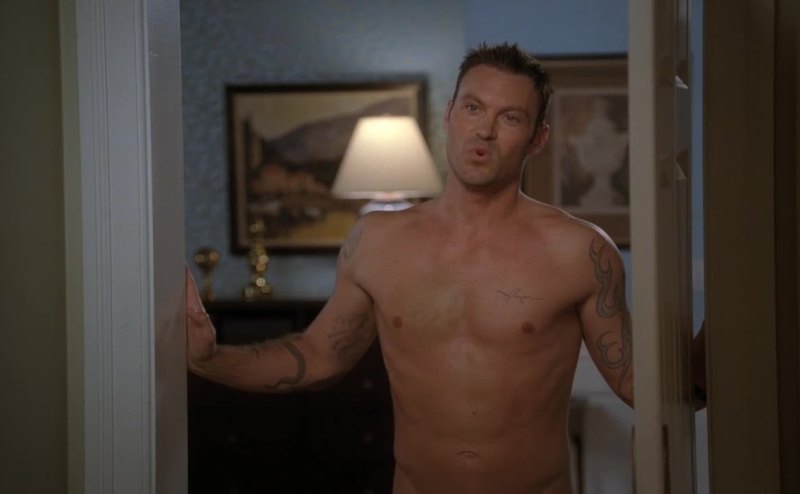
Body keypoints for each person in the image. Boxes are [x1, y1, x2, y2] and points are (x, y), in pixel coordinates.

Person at [187, 42, 634, 494]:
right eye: (473, 108)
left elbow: (631, 381)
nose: (484, 130)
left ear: (538, 138)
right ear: (449, 114)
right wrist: (210, 358)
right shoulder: (378, 241)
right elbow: (319, 356)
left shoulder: (579, 251)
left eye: (511, 117)